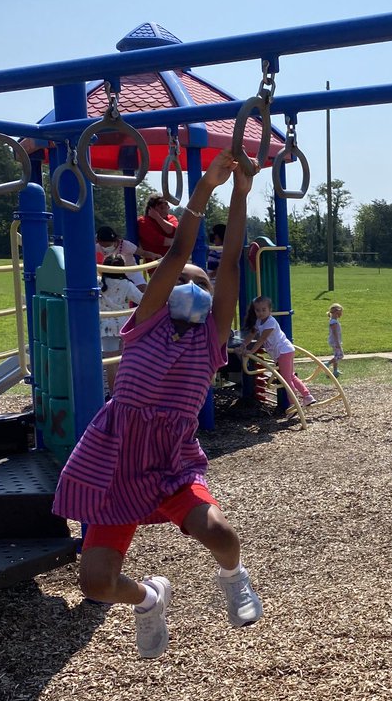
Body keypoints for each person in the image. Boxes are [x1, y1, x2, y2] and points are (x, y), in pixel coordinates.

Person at [52, 149, 262, 660]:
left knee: (222, 536)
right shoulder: (144, 326)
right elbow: (174, 258)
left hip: (170, 460)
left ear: (213, 300)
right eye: (181, 283)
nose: (191, 287)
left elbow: (229, 260)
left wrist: (239, 195)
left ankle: (233, 578)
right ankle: (149, 598)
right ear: (162, 293)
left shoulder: (211, 340)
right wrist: (204, 190)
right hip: (116, 461)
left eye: (201, 284)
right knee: (95, 582)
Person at [238, 295, 316, 408]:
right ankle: (307, 396)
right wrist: (243, 345)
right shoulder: (259, 321)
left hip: (283, 351)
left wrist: (251, 351)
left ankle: (294, 404)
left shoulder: (270, 322)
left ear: (270, 310)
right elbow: (251, 334)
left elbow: (262, 339)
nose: (260, 313)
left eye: (264, 310)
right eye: (257, 310)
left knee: (286, 380)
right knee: (291, 376)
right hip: (283, 351)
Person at [97, 255, 141, 395]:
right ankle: (125, 392)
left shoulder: (98, 283)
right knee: (124, 362)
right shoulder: (126, 285)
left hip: (106, 326)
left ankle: (113, 394)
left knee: (111, 365)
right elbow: (141, 299)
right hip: (123, 325)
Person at [136, 192, 179, 261]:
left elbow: (173, 231)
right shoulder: (143, 221)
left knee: (197, 271)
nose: (167, 207)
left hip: (175, 261)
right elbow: (158, 240)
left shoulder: (171, 218)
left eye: (167, 204)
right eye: (163, 206)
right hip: (156, 265)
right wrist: (177, 243)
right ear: (153, 208)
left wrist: (158, 218)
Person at [327, 303, 344, 378]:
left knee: (336, 355)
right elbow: (334, 333)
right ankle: (326, 364)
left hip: (335, 341)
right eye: (341, 313)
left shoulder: (333, 321)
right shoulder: (333, 322)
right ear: (337, 312)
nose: (341, 314)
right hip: (335, 341)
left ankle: (335, 370)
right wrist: (337, 343)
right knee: (340, 355)